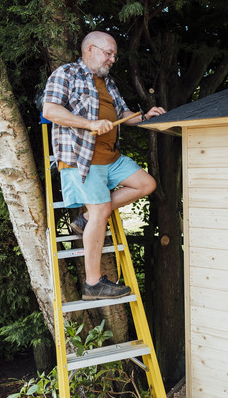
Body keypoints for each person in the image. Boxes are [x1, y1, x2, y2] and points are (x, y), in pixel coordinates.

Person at [42, 31, 165, 300]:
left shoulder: (108, 81)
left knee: (146, 184)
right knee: (100, 213)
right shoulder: (67, 73)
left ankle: (85, 218)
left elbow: (122, 114)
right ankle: (93, 283)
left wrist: (144, 116)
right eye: (107, 53)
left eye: (114, 55)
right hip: (81, 158)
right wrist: (89, 124)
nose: (112, 59)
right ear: (89, 50)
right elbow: (50, 110)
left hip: (111, 157)